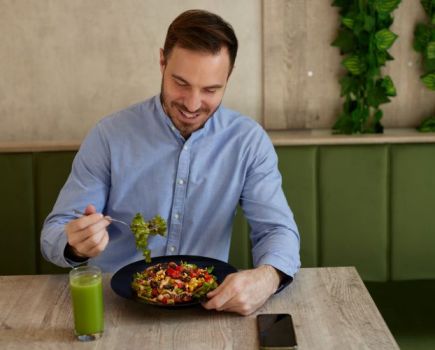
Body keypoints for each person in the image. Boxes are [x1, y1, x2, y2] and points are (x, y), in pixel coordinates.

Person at [41, 9, 300, 315]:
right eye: (181, 83)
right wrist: (74, 244)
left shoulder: (248, 142)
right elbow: (53, 234)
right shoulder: (108, 136)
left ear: (228, 78)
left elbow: (276, 230)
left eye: (210, 90)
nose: (192, 104)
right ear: (162, 62)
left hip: (204, 309)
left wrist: (267, 278)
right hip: (113, 307)